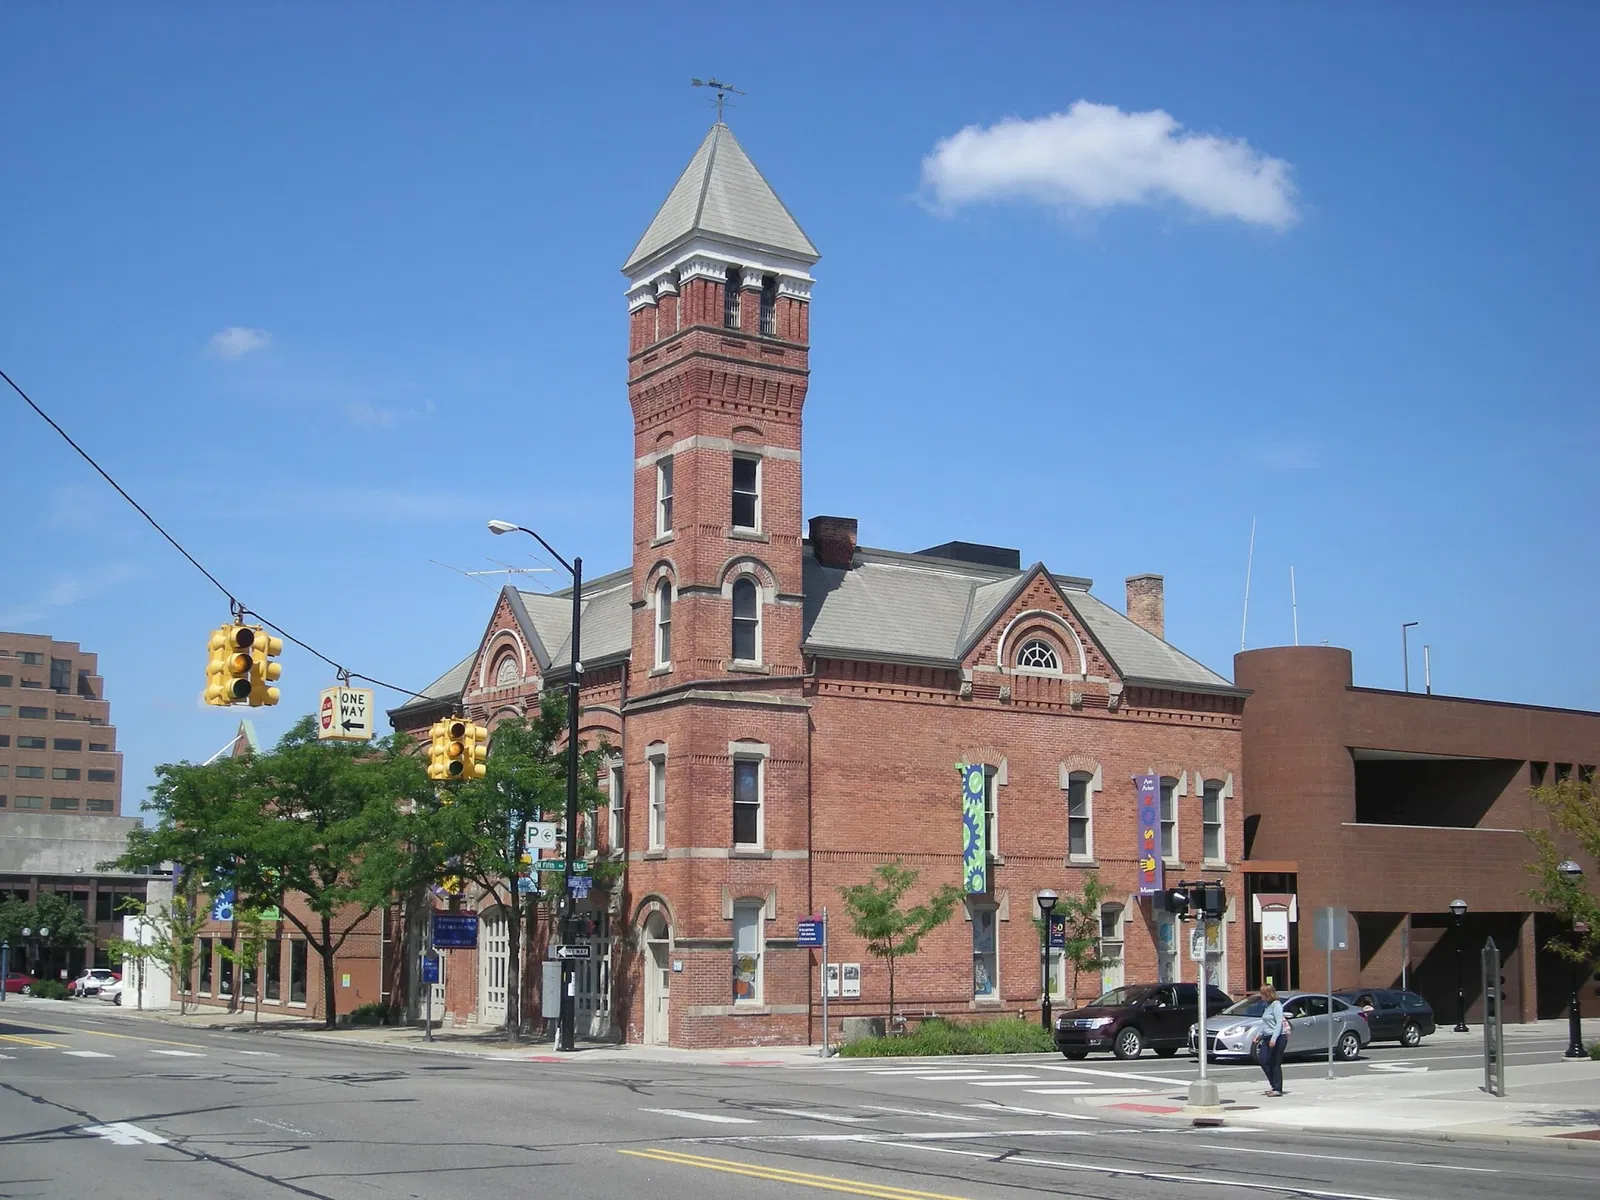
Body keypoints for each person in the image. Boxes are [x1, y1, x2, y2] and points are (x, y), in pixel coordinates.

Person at [1257, 984, 1288, 1097]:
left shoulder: (1276, 1005)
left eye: (1262, 994)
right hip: (1266, 1036)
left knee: (1275, 1063)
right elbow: (1266, 1024)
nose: (1261, 996)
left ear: (1268, 994)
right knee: (1263, 1060)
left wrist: (1274, 1038)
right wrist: (1259, 1035)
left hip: (1278, 1037)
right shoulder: (1267, 1005)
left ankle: (1277, 1088)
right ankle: (1273, 1084)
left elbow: (1279, 1022)